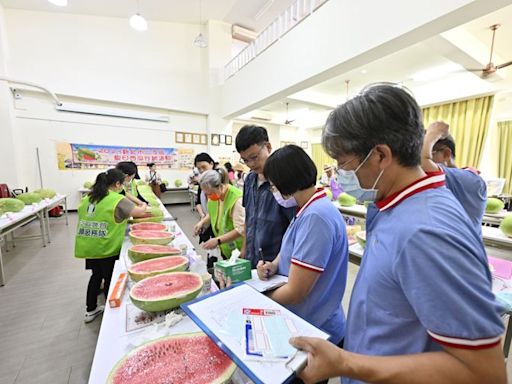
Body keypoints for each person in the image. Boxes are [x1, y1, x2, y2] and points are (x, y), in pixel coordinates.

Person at [290, 84, 505, 384]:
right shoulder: (394, 205)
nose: (340, 175)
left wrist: (346, 362)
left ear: (380, 155)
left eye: (344, 164)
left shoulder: (425, 231)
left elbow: (483, 373)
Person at [257, 145, 348, 350]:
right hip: (307, 318)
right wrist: (274, 264)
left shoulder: (316, 217)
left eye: (273, 185)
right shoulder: (308, 209)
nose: (274, 191)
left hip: (315, 326)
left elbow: (296, 292)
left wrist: (259, 296)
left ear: (286, 182)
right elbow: (293, 248)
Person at [75, 168, 150, 323]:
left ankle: (90, 309)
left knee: (96, 276)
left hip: (89, 245)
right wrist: (143, 206)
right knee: (110, 279)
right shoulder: (116, 199)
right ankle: (112, 314)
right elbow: (139, 212)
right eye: (122, 184)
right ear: (117, 184)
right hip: (107, 247)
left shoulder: (88, 197)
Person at [235, 125, 295, 268]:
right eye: (245, 160)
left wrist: (277, 263)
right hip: (252, 258)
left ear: (268, 147)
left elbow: (295, 228)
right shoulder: (249, 180)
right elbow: (249, 219)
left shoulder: (284, 181)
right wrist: (244, 249)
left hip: (275, 263)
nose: (251, 164)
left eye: (254, 157)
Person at [422, 121, 487, 236]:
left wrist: (432, 135)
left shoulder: (471, 180)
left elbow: (419, 163)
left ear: (446, 154)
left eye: (428, 151)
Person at [194, 168, 245, 267]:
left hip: (238, 250)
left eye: (210, 193)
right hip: (225, 247)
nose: (208, 197)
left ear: (221, 186)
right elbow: (214, 213)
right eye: (206, 194)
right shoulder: (215, 196)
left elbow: (241, 229)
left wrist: (217, 240)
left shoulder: (236, 199)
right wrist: (202, 222)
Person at [193, 153, 217, 244]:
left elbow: (216, 208)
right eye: (199, 169)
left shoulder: (218, 183)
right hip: (206, 219)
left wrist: (203, 221)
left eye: (204, 167)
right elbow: (198, 202)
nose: (202, 170)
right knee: (210, 249)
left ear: (211, 164)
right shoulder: (202, 182)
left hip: (216, 221)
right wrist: (202, 216)